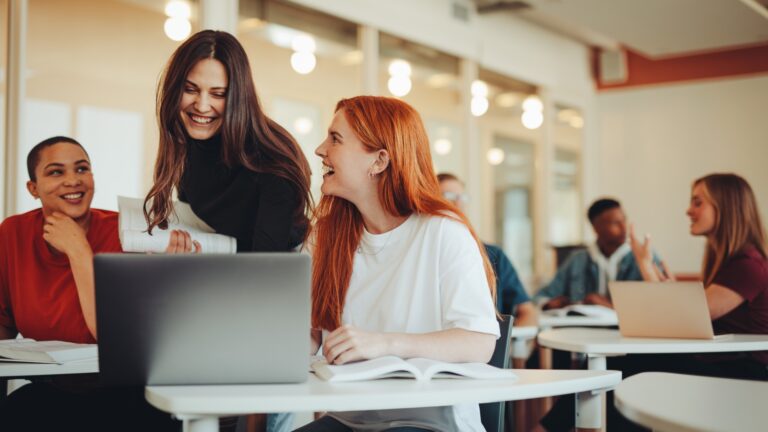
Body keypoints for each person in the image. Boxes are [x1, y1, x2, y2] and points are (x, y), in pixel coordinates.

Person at [143, 30, 312, 432]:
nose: (202, 106)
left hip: (276, 313)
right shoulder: (189, 148)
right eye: (191, 89)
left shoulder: (272, 158)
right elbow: (208, 235)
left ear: (238, 97)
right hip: (220, 301)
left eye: (217, 94)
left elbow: (265, 278)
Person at [299, 96, 499, 432]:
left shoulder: (443, 231)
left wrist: (385, 344)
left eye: (335, 139)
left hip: (431, 424)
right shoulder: (324, 237)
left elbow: (479, 342)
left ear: (379, 161)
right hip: (349, 419)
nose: (320, 150)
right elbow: (311, 336)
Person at [540, 174, 768, 431]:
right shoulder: (729, 262)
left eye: (697, 202)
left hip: (744, 371)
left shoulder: (748, 265)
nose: (688, 210)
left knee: (621, 369)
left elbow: (688, 318)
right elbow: (684, 315)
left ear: (725, 206)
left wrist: (646, 266)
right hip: (721, 361)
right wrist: (654, 274)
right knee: (621, 368)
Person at [0, 136, 182, 432]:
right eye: (56, 172)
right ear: (33, 188)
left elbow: (114, 338)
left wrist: (79, 251)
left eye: (82, 169)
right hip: (52, 393)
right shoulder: (13, 233)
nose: (73, 180)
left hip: (126, 395)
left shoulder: (130, 235)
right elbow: (3, 325)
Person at [437, 172, 537, 327]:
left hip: (490, 340)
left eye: (462, 197)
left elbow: (528, 311)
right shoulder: (426, 255)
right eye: (448, 196)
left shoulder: (494, 255)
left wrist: (510, 340)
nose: (458, 204)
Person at [533, 198, 667, 310]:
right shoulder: (577, 260)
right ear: (596, 227)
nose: (623, 227)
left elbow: (659, 306)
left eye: (624, 220)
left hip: (629, 331)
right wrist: (549, 304)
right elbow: (540, 297)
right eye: (615, 223)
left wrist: (606, 305)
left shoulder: (644, 257)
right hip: (582, 330)